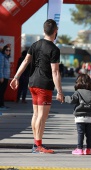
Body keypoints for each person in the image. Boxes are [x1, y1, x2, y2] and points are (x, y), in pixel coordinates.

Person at [10, 19, 64, 154]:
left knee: (36, 115)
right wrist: (59, 91)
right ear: (56, 31)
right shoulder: (54, 49)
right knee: (42, 117)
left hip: (32, 83)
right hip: (44, 85)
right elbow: (55, 71)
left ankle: (36, 144)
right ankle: (38, 145)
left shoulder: (35, 45)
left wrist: (16, 77)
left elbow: (26, 61)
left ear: (43, 31)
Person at [64, 74, 91, 155]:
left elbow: (71, 100)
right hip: (90, 117)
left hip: (80, 117)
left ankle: (79, 148)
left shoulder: (78, 93)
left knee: (80, 133)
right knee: (89, 133)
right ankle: (88, 149)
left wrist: (64, 98)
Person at [0, 44, 11, 110]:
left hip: (6, 76)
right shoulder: (2, 57)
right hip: (3, 77)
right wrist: (1, 77)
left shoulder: (6, 57)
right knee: (1, 91)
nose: (8, 51)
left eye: (9, 50)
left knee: (3, 91)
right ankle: (1, 105)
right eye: (7, 50)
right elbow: (0, 67)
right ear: (4, 50)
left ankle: (2, 104)